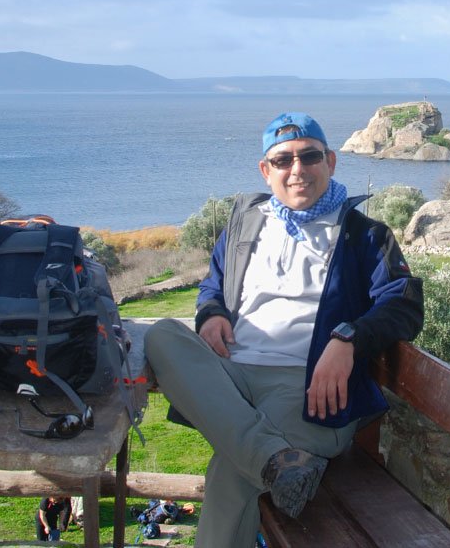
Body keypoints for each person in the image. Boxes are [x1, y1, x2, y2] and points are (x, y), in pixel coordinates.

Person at [145, 111, 424, 548]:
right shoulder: (245, 222)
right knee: (161, 334)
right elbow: (213, 283)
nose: (297, 170)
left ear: (331, 161)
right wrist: (212, 312)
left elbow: (403, 304)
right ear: (265, 169)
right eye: (283, 160)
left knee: (229, 474)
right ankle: (275, 459)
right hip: (232, 373)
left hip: (307, 388)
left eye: (309, 157)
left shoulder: (364, 236)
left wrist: (348, 337)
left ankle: (263, 455)